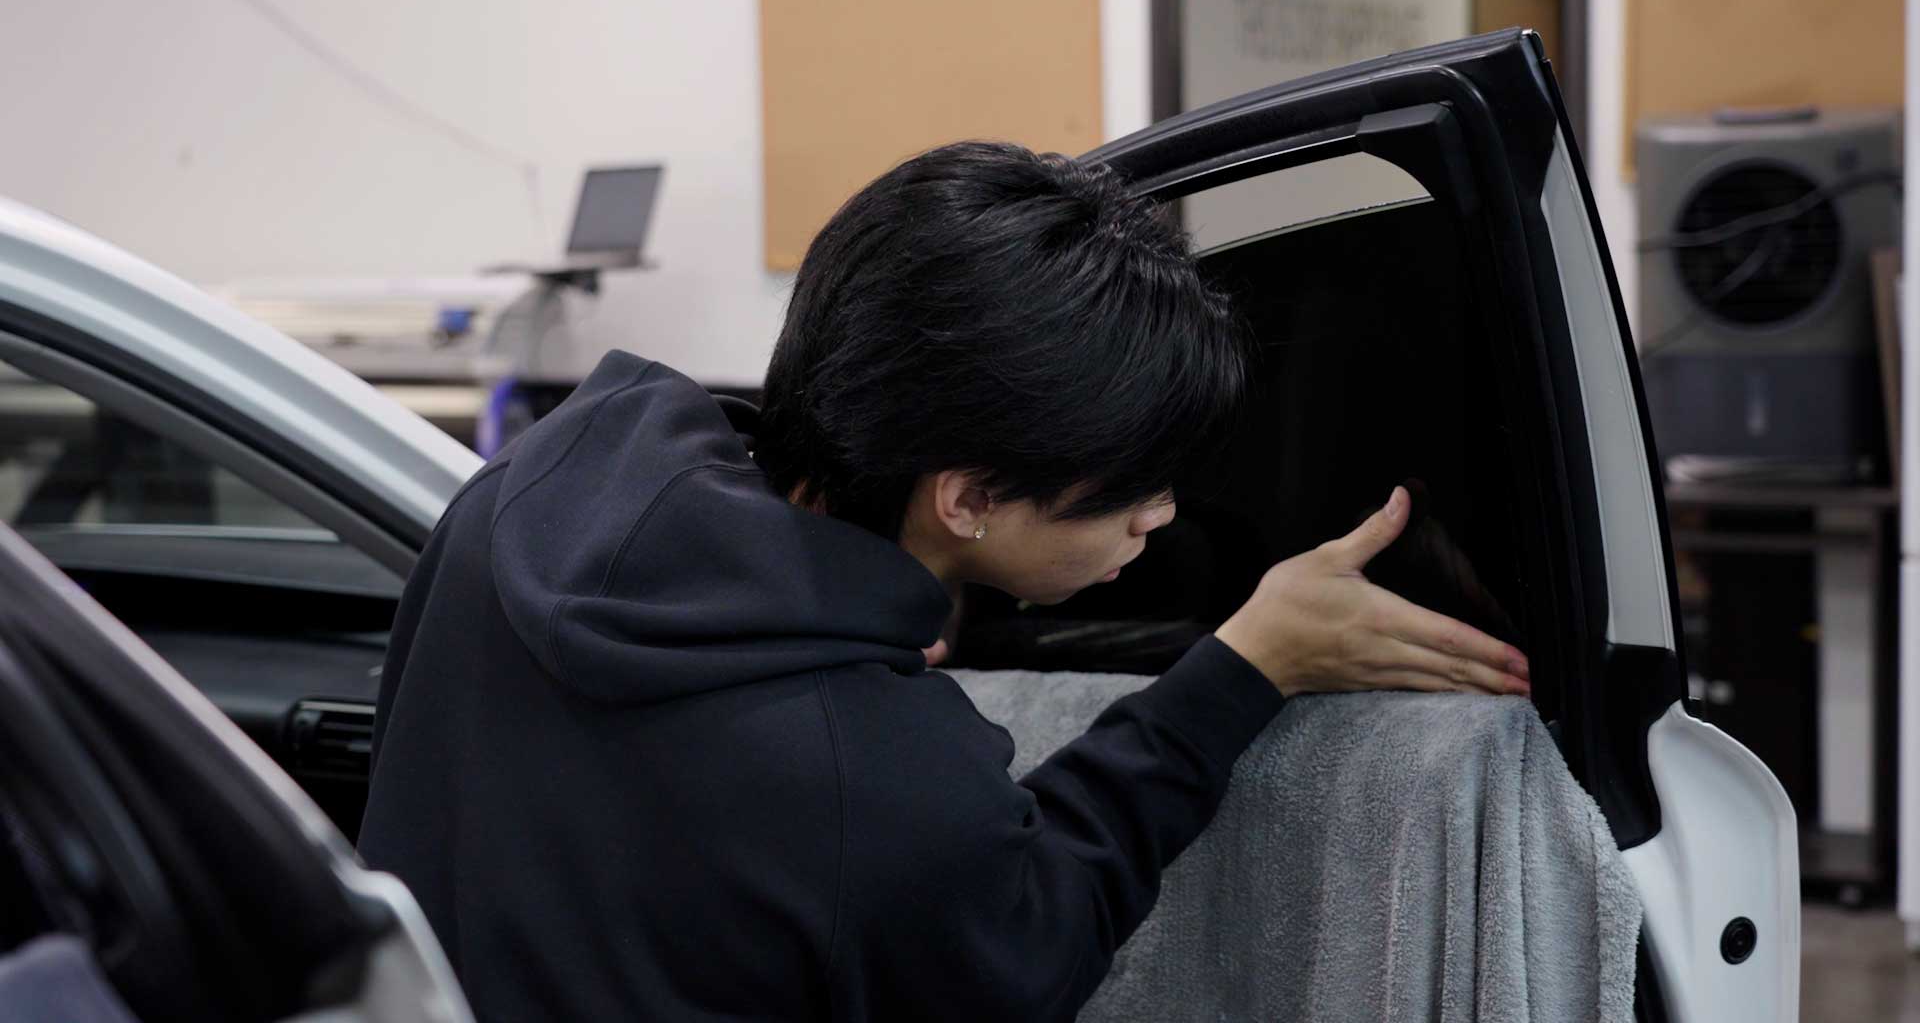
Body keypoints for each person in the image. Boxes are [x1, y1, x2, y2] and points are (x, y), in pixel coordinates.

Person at [357, 141, 1530, 1022]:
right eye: (1135, 488)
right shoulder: (873, 777)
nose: (1162, 517)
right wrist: (1245, 668)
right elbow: (1033, 943)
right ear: (964, 498)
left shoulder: (534, 482)